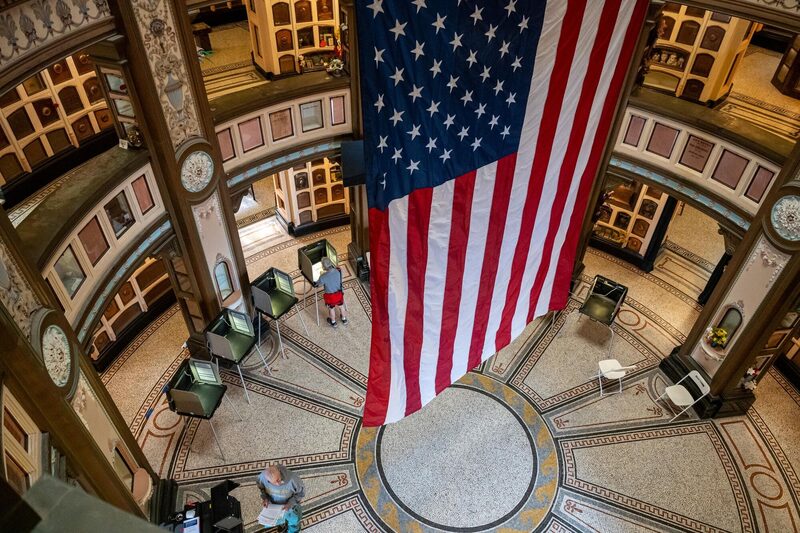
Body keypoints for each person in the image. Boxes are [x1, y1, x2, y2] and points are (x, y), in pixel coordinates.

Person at [257, 464, 305, 533]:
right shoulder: (261, 478)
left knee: (294, 522)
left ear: (279, 471)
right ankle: (283, 524)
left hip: (291, 507)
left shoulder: (293, 479)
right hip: (274, 507)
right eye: (274, 482)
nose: (278, 484)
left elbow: (301, 493)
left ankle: (293, 531)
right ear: (267, 480)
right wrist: (265, 498)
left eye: (278, 479)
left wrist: (290, 503)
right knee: (277, 520)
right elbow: (262, 489)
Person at [317, 256, 347, 328]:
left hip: (330, 297)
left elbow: (318, 285)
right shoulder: (338, 270)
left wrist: (320, 277)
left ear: (323, 266)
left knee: (331, 308)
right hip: (339, 294)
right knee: (341, 306)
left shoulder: (323, 276)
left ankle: (333, 322)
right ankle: (344, 319)